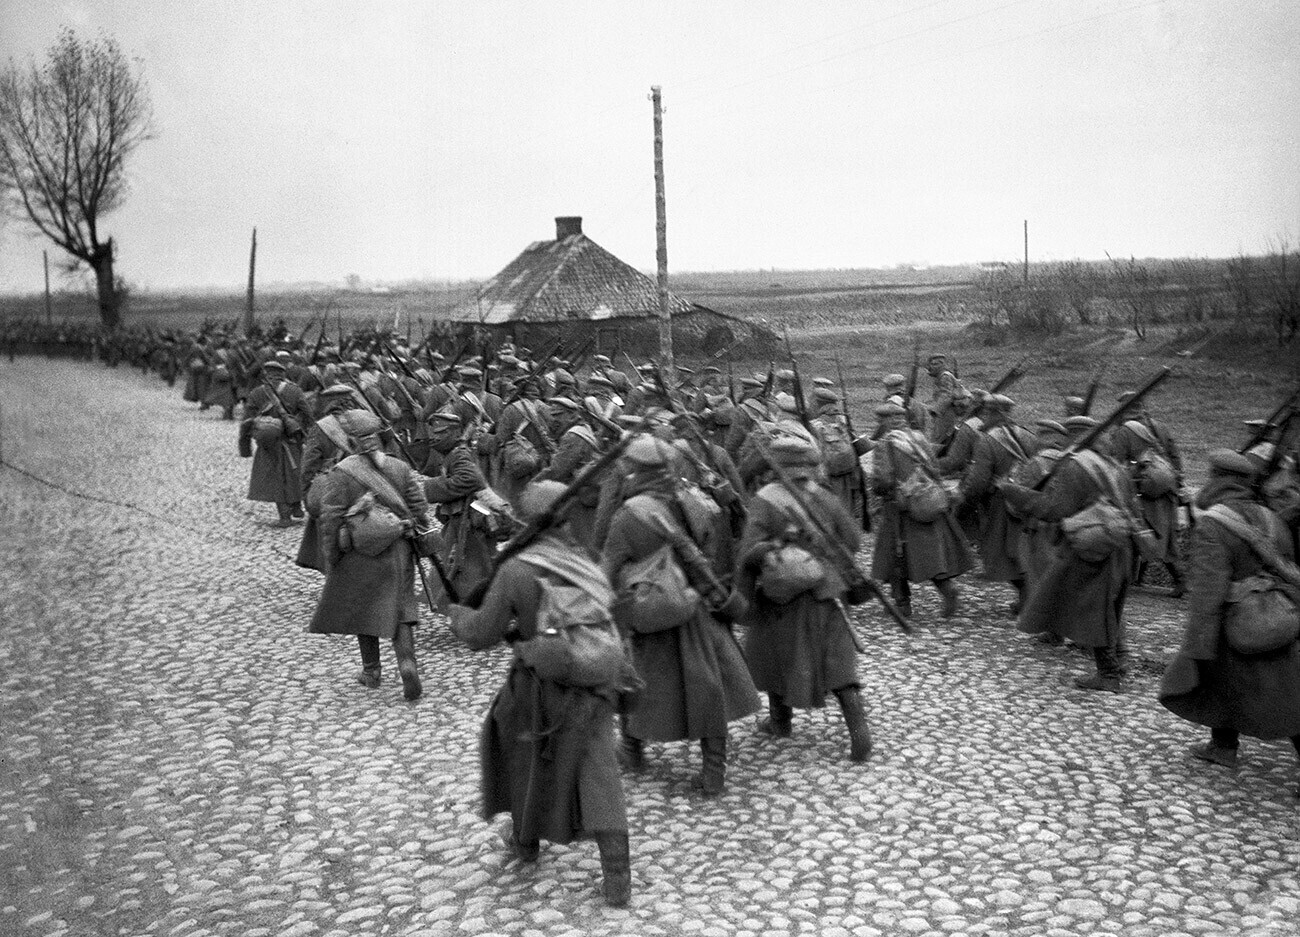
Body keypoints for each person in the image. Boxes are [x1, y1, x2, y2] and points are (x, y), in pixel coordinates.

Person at [448, 481, 633, 907]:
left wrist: (457, 615)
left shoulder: (517, 568)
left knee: (514, 746)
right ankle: (617, 876)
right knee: (598, 771)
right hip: (596, 680)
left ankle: (525, 841)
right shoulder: (586, 561)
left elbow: (481, 634)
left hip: (538, 685)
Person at [602, 436, 760, 795]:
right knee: (708, 688)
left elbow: (608, 568)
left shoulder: (629, 514)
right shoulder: (695, 499)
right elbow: (715, 548)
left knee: (633, 676)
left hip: (652, 609)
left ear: (638, 471)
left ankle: (632, 750)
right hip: (698, 605)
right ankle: (713, 770)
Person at [1158, 449, 1300, 794]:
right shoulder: (1271, 518)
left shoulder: (1212, 524)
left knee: (1287, 701)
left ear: (1217, 479)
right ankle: (1222, 746)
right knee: (1223, 683)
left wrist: (1197, 644)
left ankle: (1224, 747)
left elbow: (1207, 591)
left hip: (1235, 622)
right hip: (1277, 616)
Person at [736, 434, 873, 761]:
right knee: (840, 664)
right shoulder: (825, 495)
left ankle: (780, 722)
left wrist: (770, 554)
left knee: (773, 656)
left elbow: (749, 553)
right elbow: (852, 540)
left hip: (782, 594)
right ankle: (859, 732)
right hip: (828, 589)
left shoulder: (765, 499)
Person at [1000, 416, 1136, 692]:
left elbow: (1054, 509)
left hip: (1091, 545)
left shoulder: (1077, 466)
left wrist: (1014, 493)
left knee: (1092, 606)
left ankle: (1109, 673)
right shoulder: (1113, 466)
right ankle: (1118, 658)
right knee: (1108, 603)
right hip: (1119, 543)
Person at [307, 409, 432, 701]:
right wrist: (413, 525)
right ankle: (407, 664)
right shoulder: (399, 468)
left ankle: (372, 672)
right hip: (399, 549)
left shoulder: (340, 474)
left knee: (365, 608)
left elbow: (330, 518)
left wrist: (332, 556)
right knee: (402, 610)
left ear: (350, 442)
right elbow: (419, 508)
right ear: (379, 440)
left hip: (359, 554)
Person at [870, 402, 972, 618]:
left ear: (886, 421)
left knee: (893, 555)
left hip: (900, 507)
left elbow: (884, 479)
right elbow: (934, 468)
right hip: (929, 500)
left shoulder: (885, 444)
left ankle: (902, 603)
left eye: (880, 420)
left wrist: (877, 489)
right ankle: (947, 590)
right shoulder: (919, 438)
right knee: (931, 556)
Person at [958, 394, 1039, 615]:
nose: (983, 417)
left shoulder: (987, 440)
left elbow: (978, 482)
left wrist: (966, 504)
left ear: (993, 413)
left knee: (1001, 553)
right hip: (1027, 500)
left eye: (986, 412)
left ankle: (1029, 597)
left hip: (1000, 503)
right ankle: (1026, 598)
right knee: (1021, 549)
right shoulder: (1029, 436)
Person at [1108, 391, 1186, 596]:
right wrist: (1178, 481)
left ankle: (1175, 579)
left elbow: (1117, 462)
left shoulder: (1124, 431)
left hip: (1147, 488)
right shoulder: (1158, 426)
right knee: (1165, 535)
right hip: (1166, 487)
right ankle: (1140, 578)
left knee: (1142, 531)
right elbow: (1174, 456)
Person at [238, 359, 311, 526]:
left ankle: (284, 516)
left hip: (268, 443)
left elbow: (246, 421)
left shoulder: (256, 393)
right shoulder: (295, 391)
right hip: (292, 440)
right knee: (294, 473)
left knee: (275, 477)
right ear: (283, 374)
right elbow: (308, 414)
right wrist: (305, 434)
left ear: (266, 373)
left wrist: (245, 446)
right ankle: (296, 505)